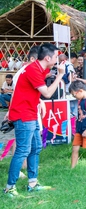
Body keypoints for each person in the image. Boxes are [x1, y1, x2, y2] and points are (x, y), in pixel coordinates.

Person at [4, 43, 64, 197]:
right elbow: (48, 93)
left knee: (36, 147)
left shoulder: (39, 68)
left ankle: (32, 183)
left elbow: (31, 89)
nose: (58, 59)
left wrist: (39, 101)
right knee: (22, 150)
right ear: (48, 57)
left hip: (31, 113)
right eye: (56, 56)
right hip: (23, 114)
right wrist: (60, 76)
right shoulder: (32, 69)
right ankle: (9, 187)